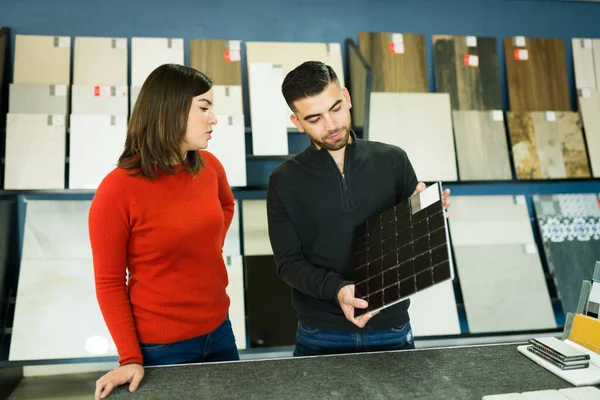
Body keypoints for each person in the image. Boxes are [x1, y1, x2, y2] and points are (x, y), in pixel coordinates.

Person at [266, 61, 451, 357]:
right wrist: (338, 289)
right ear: (297, 122)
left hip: (391, 326)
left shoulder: (393, 160)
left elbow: (414, 249)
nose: (332, 125)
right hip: (321, 332)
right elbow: (288, 263)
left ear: (347, 97)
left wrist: (429, 218)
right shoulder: (284, 180)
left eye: (336, 108)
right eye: (314, 118)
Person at [88, 64, 239, 399]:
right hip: (160, 349)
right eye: (204, 108)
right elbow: (109, 283)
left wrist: (203, 247)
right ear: (170, 110)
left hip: (220, 332)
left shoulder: (210, 167)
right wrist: (130, 357)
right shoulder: (117, 190)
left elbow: (227, 206)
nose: (213, 118)